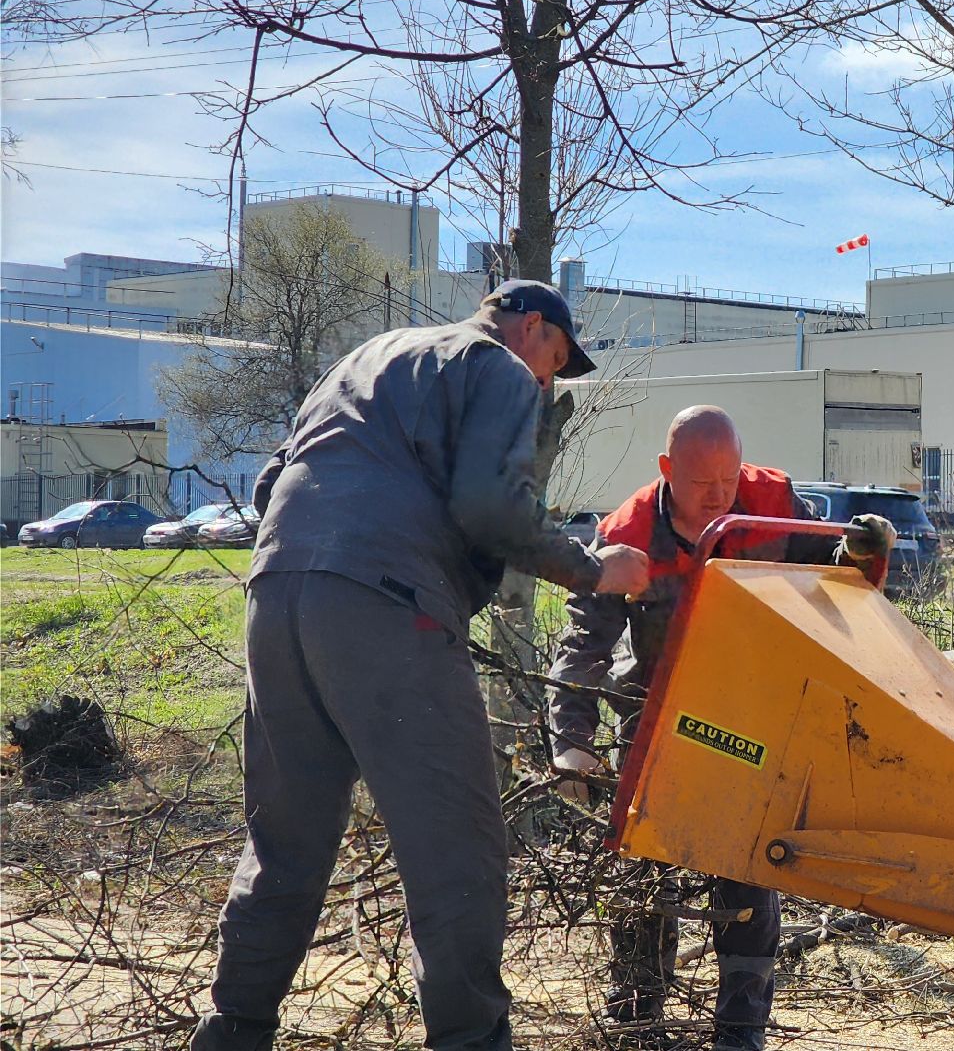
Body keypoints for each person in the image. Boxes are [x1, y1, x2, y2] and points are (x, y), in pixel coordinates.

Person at [190, 280, 653, 1051]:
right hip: (385, 609)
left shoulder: (364, 359)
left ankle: (231, 1032)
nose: (546, 382)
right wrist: (594, 569)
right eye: (555, 360)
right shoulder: (496, 367)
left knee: (284, 847)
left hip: (276, 598)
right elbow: (490, 507)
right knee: (457, 851)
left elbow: (272, 484)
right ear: (531, 327)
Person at [547, 405, 894, 1051]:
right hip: (652, 722)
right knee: (643, 878)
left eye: (727, 479)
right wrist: (571, 743)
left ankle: (741, 1034)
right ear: (665, 470)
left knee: (746, 874)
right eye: (701, 482)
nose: (717, 497)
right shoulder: (625, 534)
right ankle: (638, 1021)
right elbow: (583, 649)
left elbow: (839, 578)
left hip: (745, 718)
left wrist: (863, 553)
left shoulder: (771, 502)